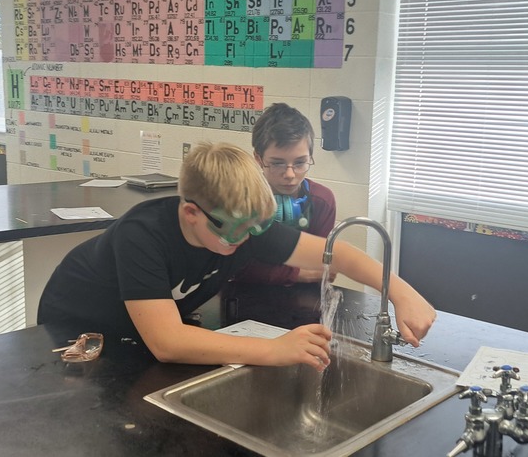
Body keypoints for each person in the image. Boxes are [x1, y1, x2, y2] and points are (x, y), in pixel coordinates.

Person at [38, 142, 436, 371]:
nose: (246, 240)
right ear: (192, 212)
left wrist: (402, 293)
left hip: (136, 332)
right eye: (234, 231)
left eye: (254, 229)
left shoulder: (242, 226)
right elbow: (168, 342)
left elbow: (338, 253)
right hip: (75, 331)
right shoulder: (141, 236)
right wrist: (275, 349)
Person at [230, 102, 337, 285]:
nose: (290, 174)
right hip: (240, 297)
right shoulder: (238, 200)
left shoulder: (322, 201)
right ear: (258, 158)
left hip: (303, 301)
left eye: (300, 163)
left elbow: (318, 266)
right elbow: (235, 265)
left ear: (310, 156)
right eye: (277, 163)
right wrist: (297, 274)